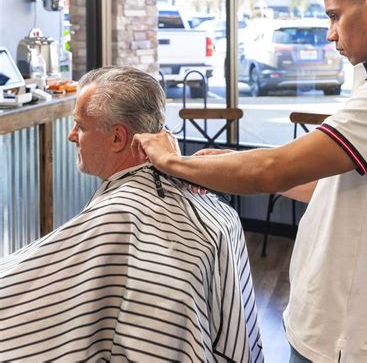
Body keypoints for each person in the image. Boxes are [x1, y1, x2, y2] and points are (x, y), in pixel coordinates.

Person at [132, 0, 367, 363]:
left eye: (335, 16)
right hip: (327, 324)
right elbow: (330, 187)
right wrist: (220, 165)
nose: (330, 34)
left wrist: (171, 162)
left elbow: (272, 169)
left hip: (350, 336)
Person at [0, 66, 263, 363]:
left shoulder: (120, 218)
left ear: (117, 138)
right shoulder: (217, 209)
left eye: (81, 127)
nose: (72, 136)